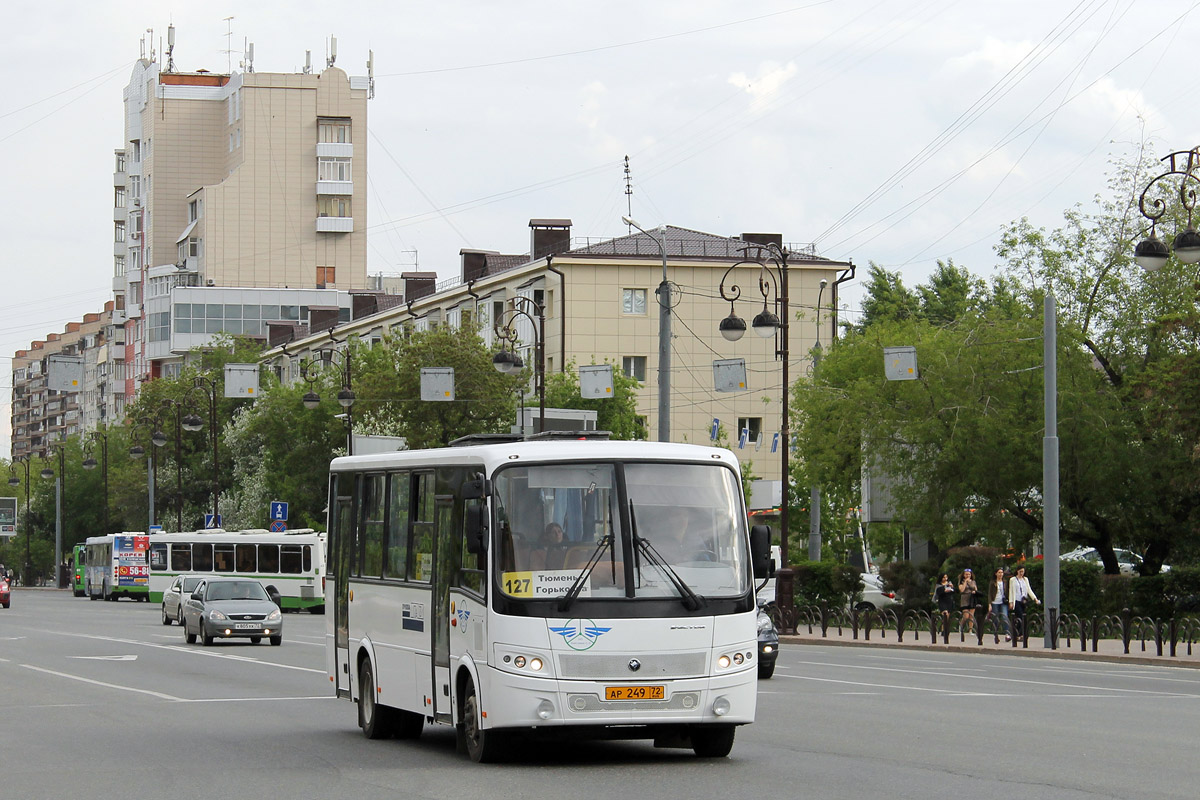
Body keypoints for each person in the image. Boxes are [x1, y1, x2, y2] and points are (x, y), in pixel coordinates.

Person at [1008, 565, 1040, 639]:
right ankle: (1019, 634)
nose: (1021, 573)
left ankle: (1018, 634)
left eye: (1023, 571)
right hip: (1016, 601)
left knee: (1023, 618)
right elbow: (1011, 591)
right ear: (1017, 571)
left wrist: (1035, 598)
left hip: (1024, 601)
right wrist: (1011, 602)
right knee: (1020, 616)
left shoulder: (1025, 579)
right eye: (1020, 571)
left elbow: (1029, 590)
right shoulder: (1013, 579)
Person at [988, 567, 1010, 641]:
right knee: (996, 618)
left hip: (1003, 602)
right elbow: (990, 594)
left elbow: (1008, 592)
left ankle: (1007, 634)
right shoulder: (993, 582)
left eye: (1002, 572)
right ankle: (996, 634)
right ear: (996, 573)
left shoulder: (1005, 582)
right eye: (999, 572)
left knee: (1004, 617)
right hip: (995, 602)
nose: (1001, 574)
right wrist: (989, 604)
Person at [957, 568, 978, 635]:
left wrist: (974, 591)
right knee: (966, 615)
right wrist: (965, 582)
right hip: (964, 598)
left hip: (971, 598)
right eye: (966, 574)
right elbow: (961, 590)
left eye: (969, 574)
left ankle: (970, 630)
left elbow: (976, 589)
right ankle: (961, 626)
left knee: (971, 615)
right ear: (963, 575)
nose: (968, 575)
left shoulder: (973, 581)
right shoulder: (961, 581)